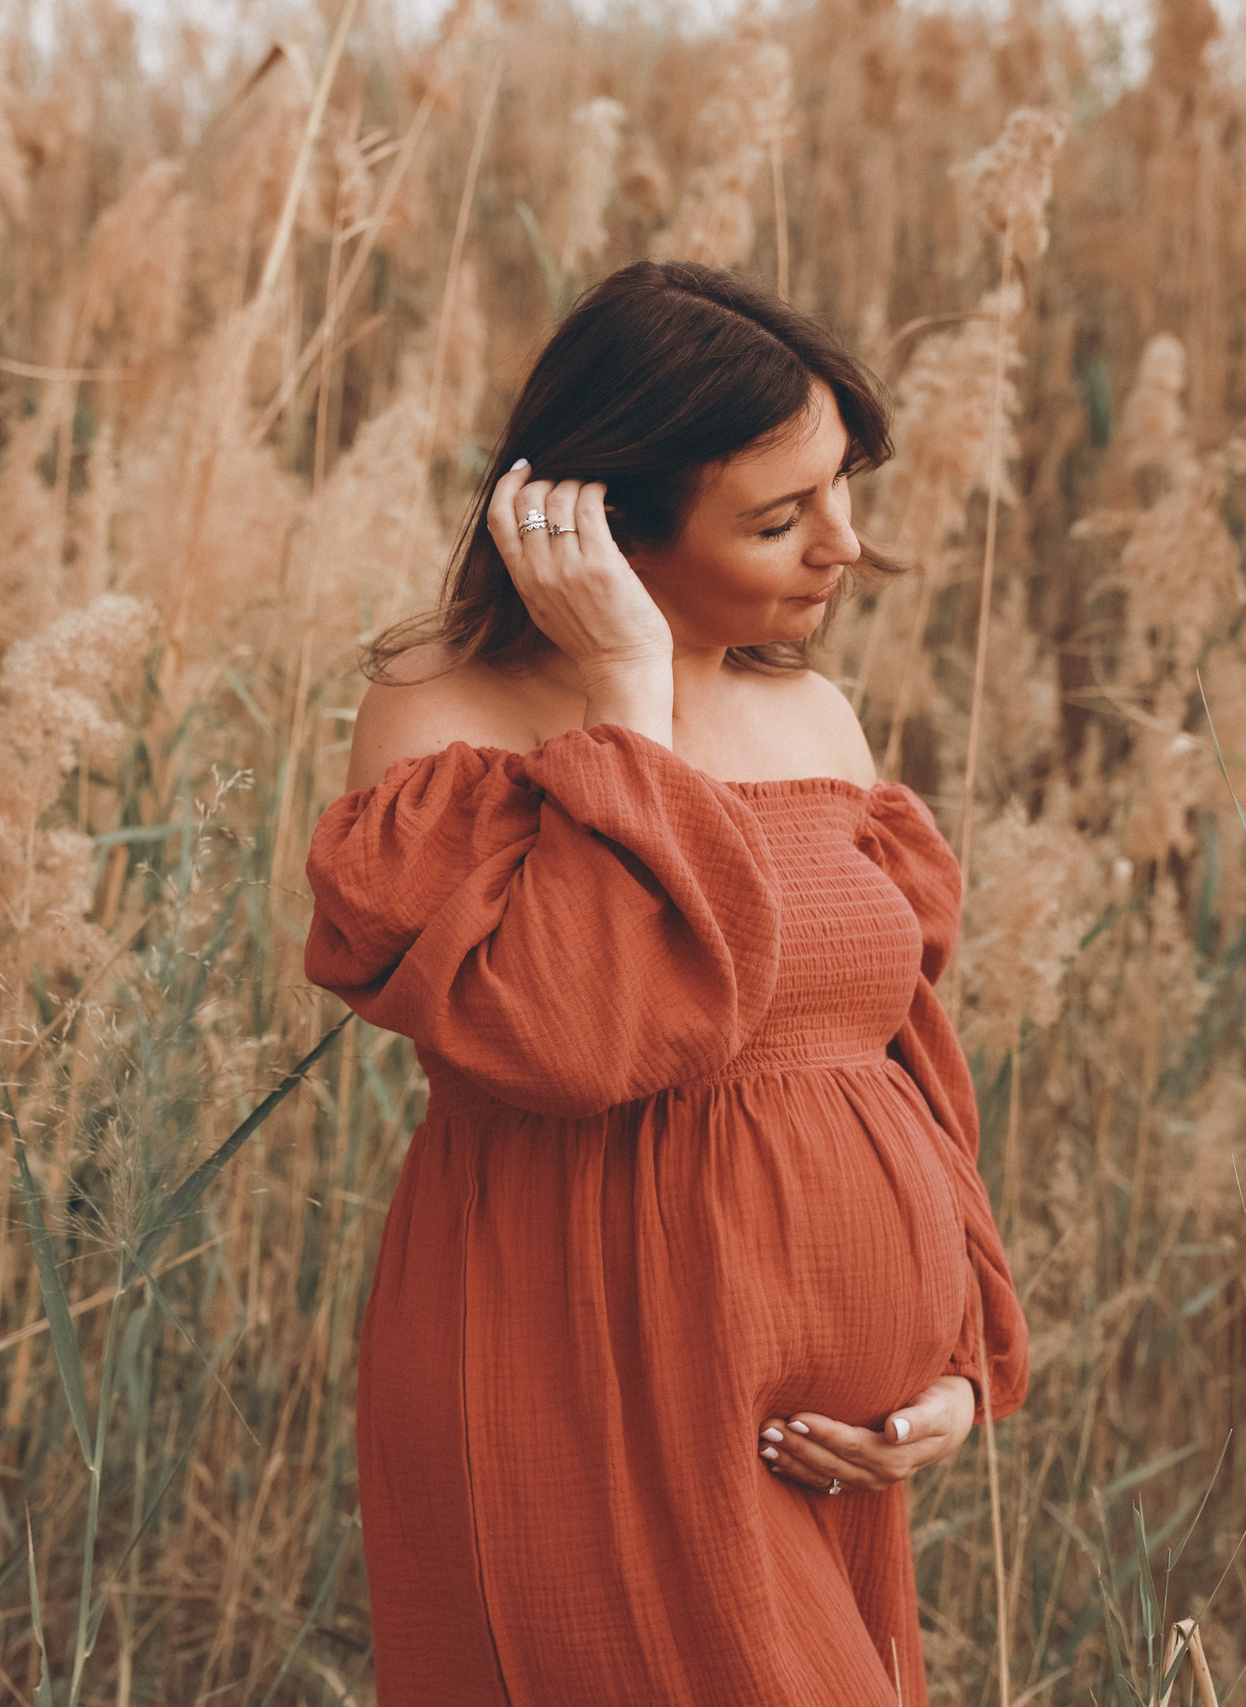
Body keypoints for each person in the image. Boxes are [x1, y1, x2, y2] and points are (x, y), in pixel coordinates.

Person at [301, 258, 1030, 1706]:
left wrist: (959, 1358)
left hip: (821, 1452)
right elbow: (580, 1034)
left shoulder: (814, 716)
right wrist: (628, 703)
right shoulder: (444, 718)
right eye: (779, 517)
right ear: (600, 524)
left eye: (840, 489)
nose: (843, 547)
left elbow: (900, 1061)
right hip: (583, 1378)